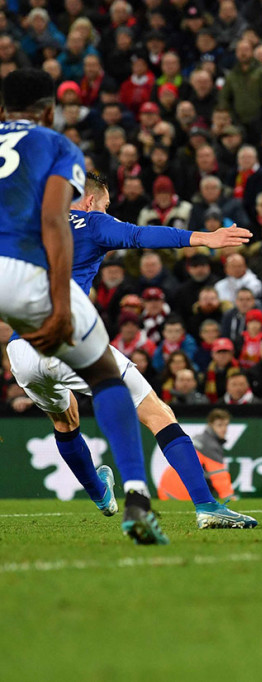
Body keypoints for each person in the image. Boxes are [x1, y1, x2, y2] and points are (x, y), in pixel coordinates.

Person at [6, 170, 258, 532]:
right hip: (65, 338)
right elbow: (140, 235)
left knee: (65, 419)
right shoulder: (92, 222)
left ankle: (100, 494)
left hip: (21, 351)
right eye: (106, 205)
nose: (107, 212)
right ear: (90, 201)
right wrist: (205, 238)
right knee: (157, 412)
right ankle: (207, 506)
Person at [0, 70, 190, 545]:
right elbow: (56, 221)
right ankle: (136, 498)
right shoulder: (56, 147)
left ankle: (101, 495)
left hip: (11, 312)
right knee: (109, 379)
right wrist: (59, 302)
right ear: (49, 111)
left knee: (64, 416)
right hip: (33, 282)